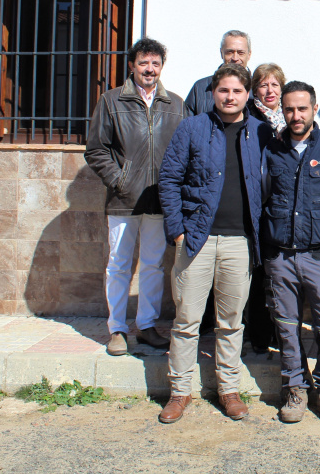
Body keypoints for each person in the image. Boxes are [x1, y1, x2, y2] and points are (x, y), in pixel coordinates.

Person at [156, 64, 272, 424]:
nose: (230, 97)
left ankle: (229, 389)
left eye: (237, 91)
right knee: (187, 320)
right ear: (213, 93)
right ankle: (179, 392)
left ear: (247, 94)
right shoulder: (192, 128)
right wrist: (177, 230)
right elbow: (169, 178)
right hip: (197, 239)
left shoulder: (261, 131)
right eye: (224, 90)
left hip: (240, 241)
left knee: (231, 322)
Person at [85, 37, 184, 356]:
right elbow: (96, 149)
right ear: (132, 65)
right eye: (144, 62)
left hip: (159, 198)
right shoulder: (111, 101)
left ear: (162, 67)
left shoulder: (175, 104)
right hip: (124, 199)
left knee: (153, 265)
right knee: (119, 264)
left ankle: (146, 326)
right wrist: (119, 180)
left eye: (155, 63)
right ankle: (117, 328)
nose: (149, 69)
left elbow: (183, 150)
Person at [261, 81, 320, 424]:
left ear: (315, 109)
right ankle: (295, 389)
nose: (296, 115)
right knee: (286, 327)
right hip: (281, 256)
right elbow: (263, 194)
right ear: (282, 111)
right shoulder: (271, 150)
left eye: (302, 108)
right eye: (289, 109)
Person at [244, 62, 286, 355]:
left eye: (274, 84)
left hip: (284, 206)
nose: (269, 90)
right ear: (254, 90)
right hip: (257, 204)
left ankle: (281, 331)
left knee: (281, 274)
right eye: (263, 85)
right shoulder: (248, 118)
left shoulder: (292, 115)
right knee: (258, 274)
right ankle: (259, 334)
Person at [183, 30, 252, 116]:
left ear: (249, 54)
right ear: (221, 53)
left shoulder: (258, 89)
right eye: (230, 52)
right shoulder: (200, 88)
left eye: (241, 53)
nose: (235, 58)